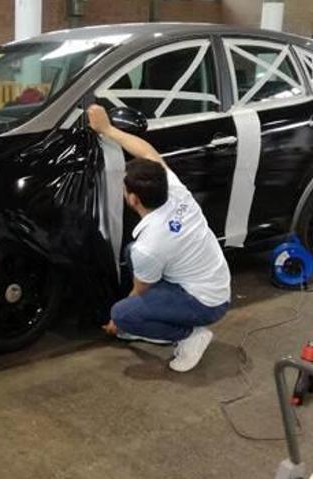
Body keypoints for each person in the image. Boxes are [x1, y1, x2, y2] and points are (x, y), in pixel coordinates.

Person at [87, 104, 231, 373]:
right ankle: (163, 313)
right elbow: (147, 152)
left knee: (124, 313)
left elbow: (140, 289)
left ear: (133, 199)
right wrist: (106, 129)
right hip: (213, 281)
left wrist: (123, 320)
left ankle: (190, 336)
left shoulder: (150, 244)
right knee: (132, 252)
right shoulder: (175, 191)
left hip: (205, 302)